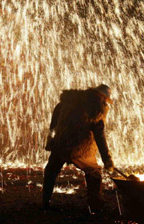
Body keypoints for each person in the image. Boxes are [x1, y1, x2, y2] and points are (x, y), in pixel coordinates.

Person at [43, 84, 115, 212]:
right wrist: (107, 160)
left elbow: (54, 122)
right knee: (94, 174)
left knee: (51, 170)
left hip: (61, 144)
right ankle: (95, 206)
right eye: (104, 99)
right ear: (101, 97)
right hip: (80, 149)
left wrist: (52, 138)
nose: (105, 102)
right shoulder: (97, 109)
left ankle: (45, 202)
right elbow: (100, 137)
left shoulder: (68, 101)